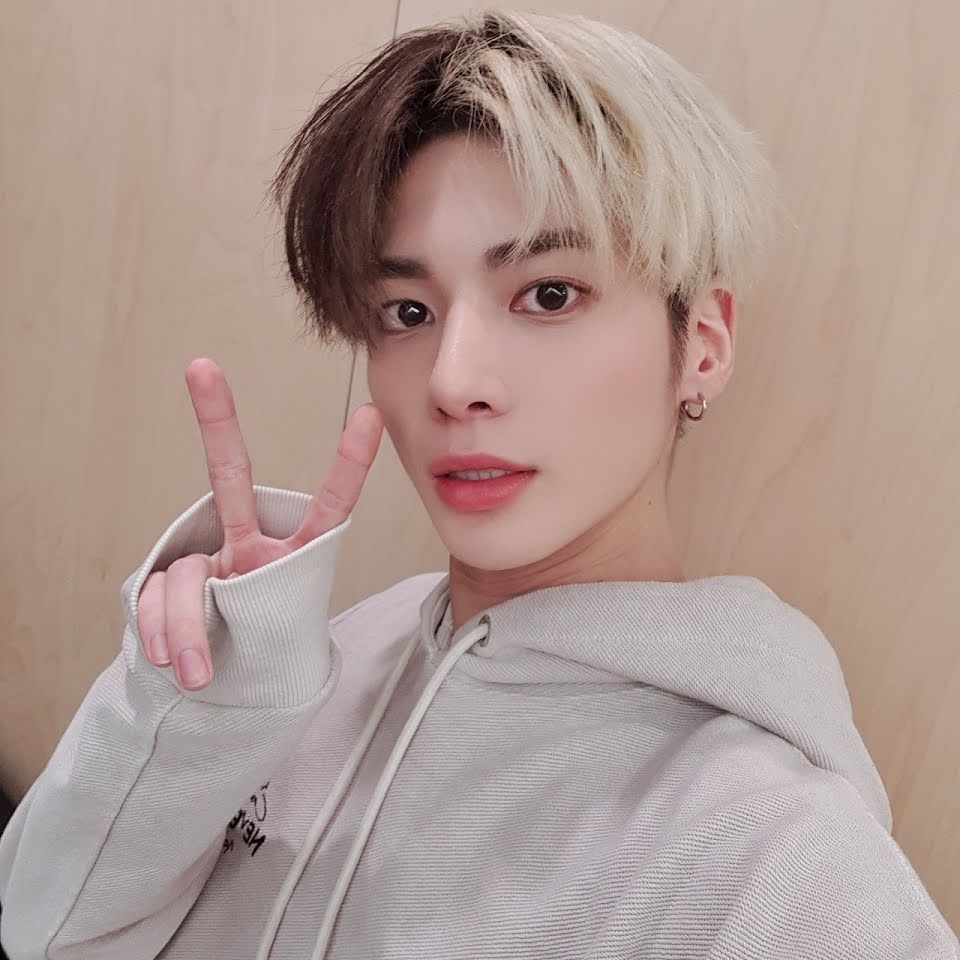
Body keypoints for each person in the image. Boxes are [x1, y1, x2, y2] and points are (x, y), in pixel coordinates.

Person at [0, 7, 956, 959]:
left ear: (701, 345)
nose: (453, 382)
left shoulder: (776, 854)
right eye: (407, 311)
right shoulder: (326, 659)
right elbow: (45, 934)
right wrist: (197, 712)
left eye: (548, 294)